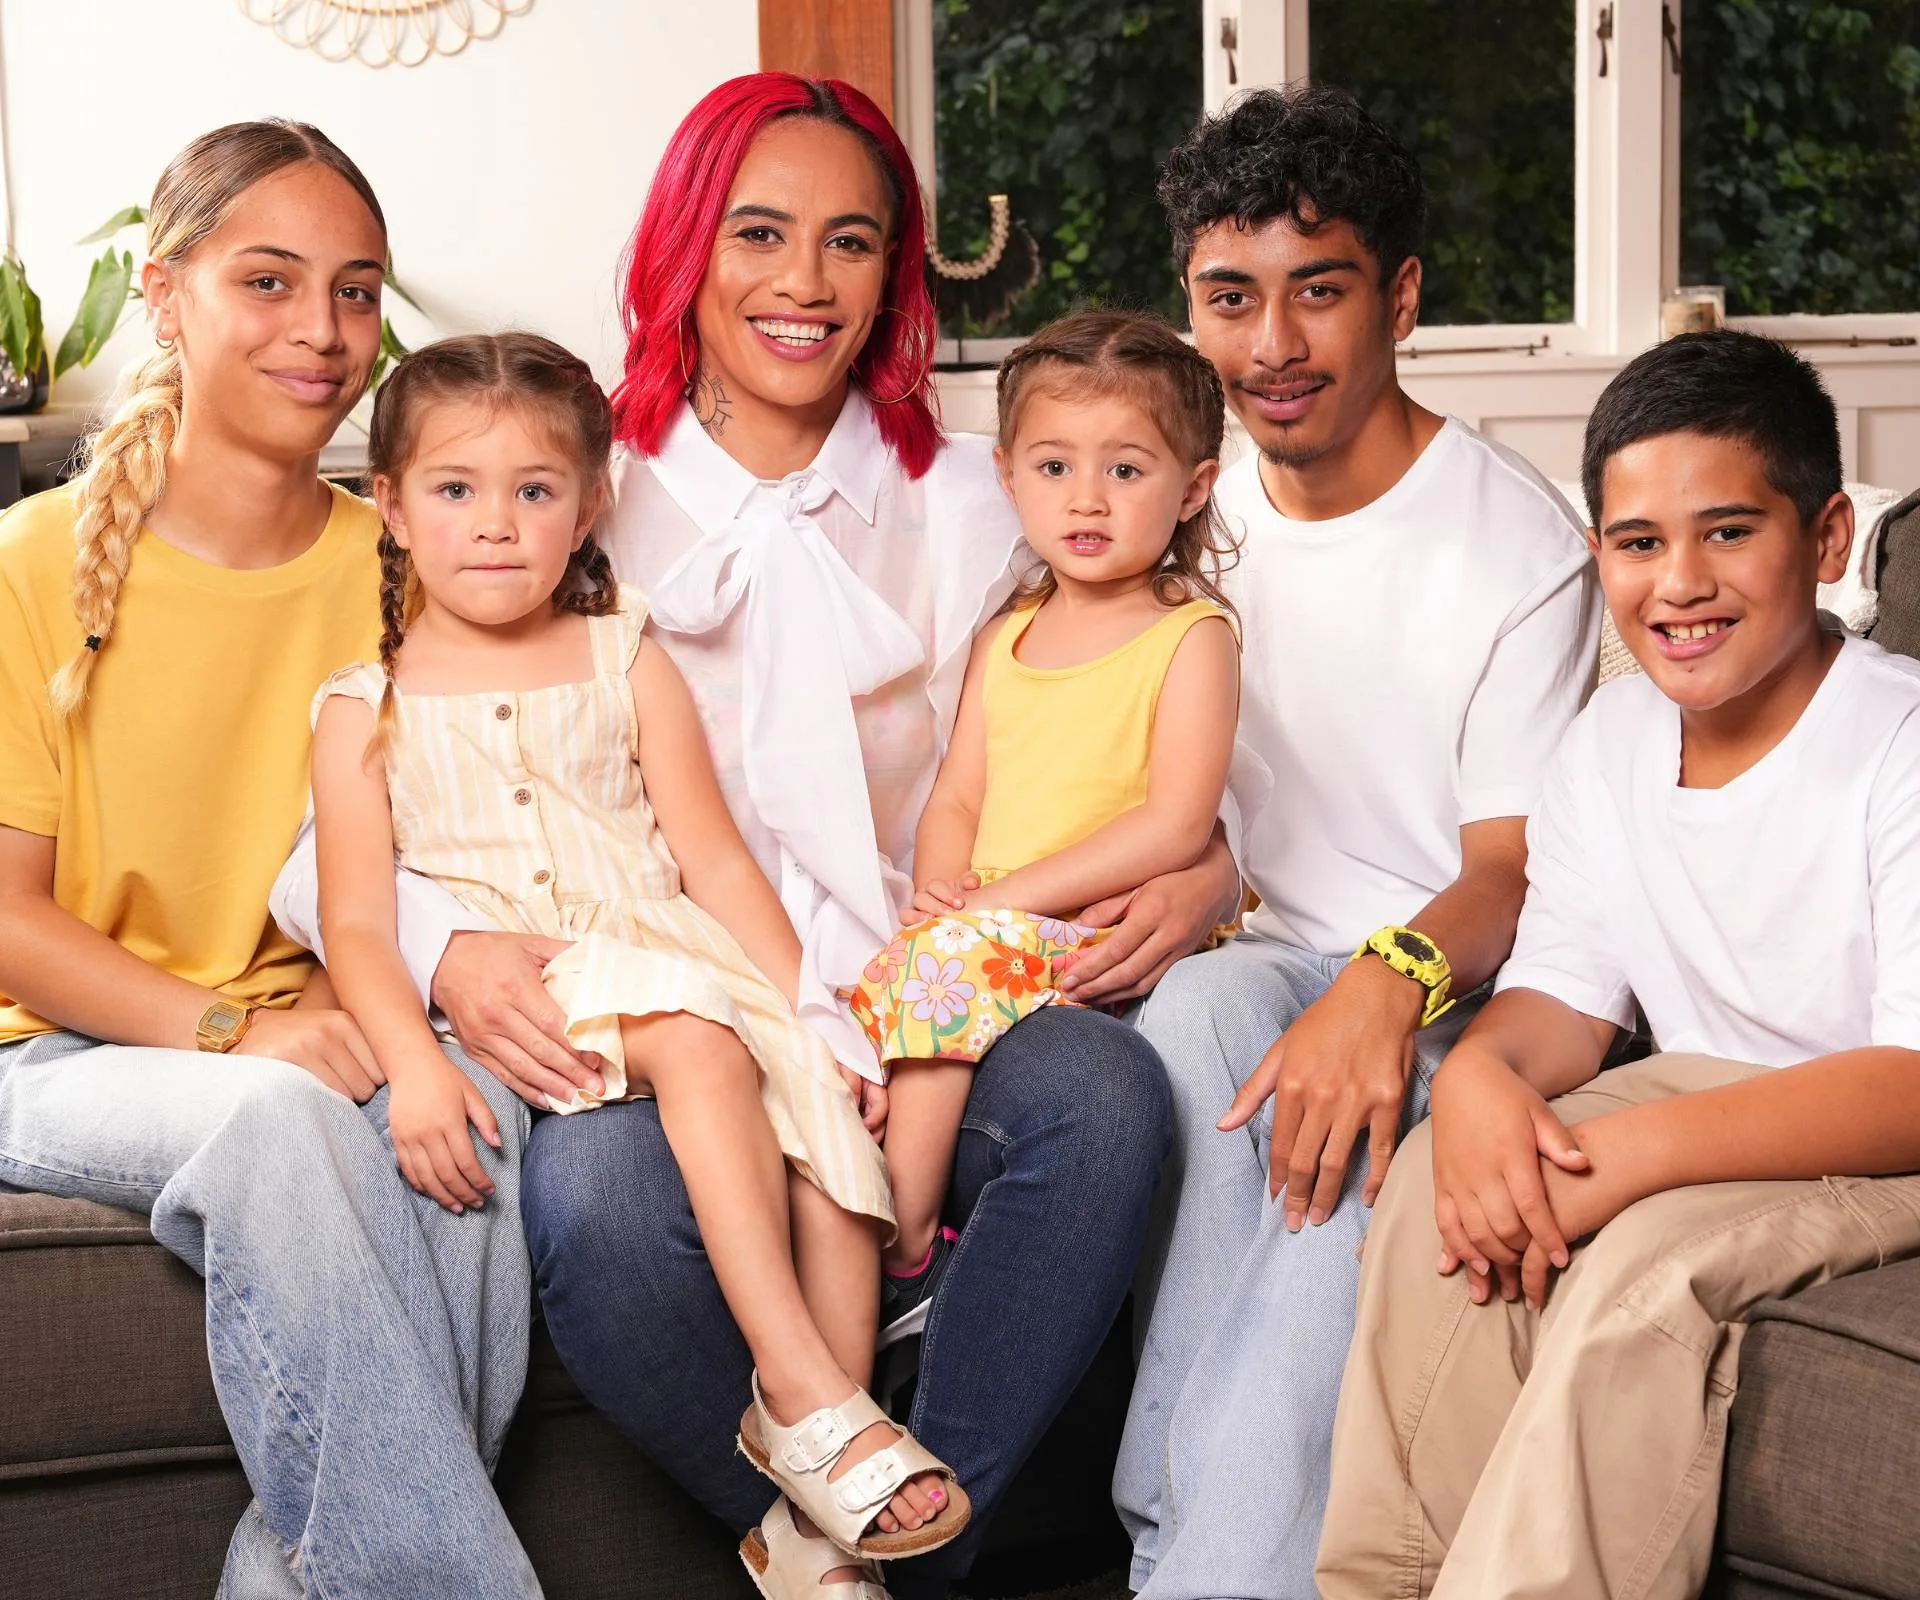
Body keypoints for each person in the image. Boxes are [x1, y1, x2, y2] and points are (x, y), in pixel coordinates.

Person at [271, 74, 1223, 1597]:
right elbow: (350, 795)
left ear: (895, 276)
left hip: (908, 1005)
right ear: (682, 248)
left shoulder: (982, 503)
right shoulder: (561, 489)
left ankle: (893, 1551)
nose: (802, 282)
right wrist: (447, 962)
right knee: (598, 1199)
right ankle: (833, 1504)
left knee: (1104, 1102)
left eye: (850, 244)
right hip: (658, 996)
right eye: (758, 232)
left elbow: (1132, 708)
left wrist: (1210, 864)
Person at [312, 331, 967, 1595]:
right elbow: (354, 921)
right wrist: (413, 1068)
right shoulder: (362, 707)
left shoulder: (630, 650)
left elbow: (716, 862)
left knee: (827, 1145)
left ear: (592, 501)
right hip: (550, 980)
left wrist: (817, 1014)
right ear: (387, 507)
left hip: (675, 952)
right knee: (699, 1037)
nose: (495, 526)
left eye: (534, 490)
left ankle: (828, 1520)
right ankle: (801, 1389)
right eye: (454, 490)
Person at [0, 123, 539, 1598]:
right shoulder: (35, 564)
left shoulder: (403, 560)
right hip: (63, 1054)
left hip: (338, 1025)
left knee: (480, 1122)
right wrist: (242, 1033)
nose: (324, 332)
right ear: (163, 296)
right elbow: (5, 926)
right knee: (276, 1129)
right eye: (271, 282)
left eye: (357, 292)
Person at [1318, 331, 1920, 1600]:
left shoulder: (1899, 742)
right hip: (1703, 1092)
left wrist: (1627, 1163)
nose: (1680, 583)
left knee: (1637, 1278)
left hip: (1879, 1126)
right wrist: (1480, 1082)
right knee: (1446, 1180)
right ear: (1600, 557)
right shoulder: (1611, 736)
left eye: (1728, 532)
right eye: (1639, 543)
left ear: (1825, 541)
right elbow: (1561, 999)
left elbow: (1909, 1082)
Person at [1113, 84, 1602, 1599]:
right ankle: (1169, 1541)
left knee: (1334, 1187)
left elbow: (1513, 875)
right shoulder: (1187, 516)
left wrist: (1382, 989)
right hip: (1253, 964)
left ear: (1396, 296)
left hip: (1452, 982)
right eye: (1230, 299)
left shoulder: (1514, 546)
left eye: (1318, 293)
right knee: (1193, 1011)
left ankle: (1204, 1578)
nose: (1271, 349)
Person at [852, 310, 1239, 1339]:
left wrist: (986, 908)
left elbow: (1174, 824)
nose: (1087, 499)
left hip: (1097, 927)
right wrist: (941, 889)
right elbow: (961, 797)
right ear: (1011, 479)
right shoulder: (1008, 634)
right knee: (897, 970)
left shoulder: (1190, 638)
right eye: (1056, 466)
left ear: (1193, 487)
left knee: (942, 968)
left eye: (1126, 470)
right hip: (996, 925)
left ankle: (905, 1243)